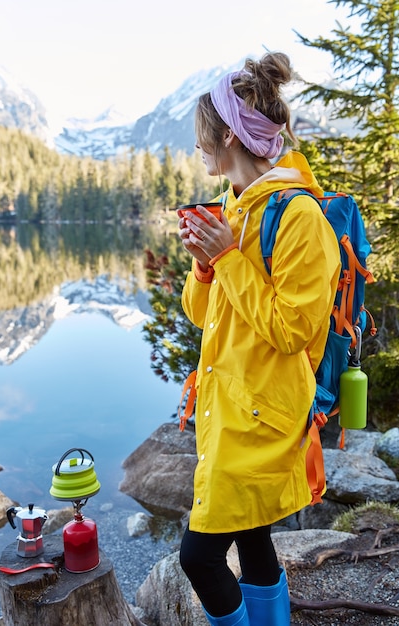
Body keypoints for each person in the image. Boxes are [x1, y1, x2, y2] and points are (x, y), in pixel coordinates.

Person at [177, 51, 341, 626]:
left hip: (262, 419)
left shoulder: (299, 218)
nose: (196, 147)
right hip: (230, 412)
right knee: (252, 543)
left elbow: (293, 330)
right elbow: (203, 316)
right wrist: (205, 266)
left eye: (201, 135)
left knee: (197, 558)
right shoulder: (234, 209)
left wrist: (227, 257)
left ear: (226, 136)